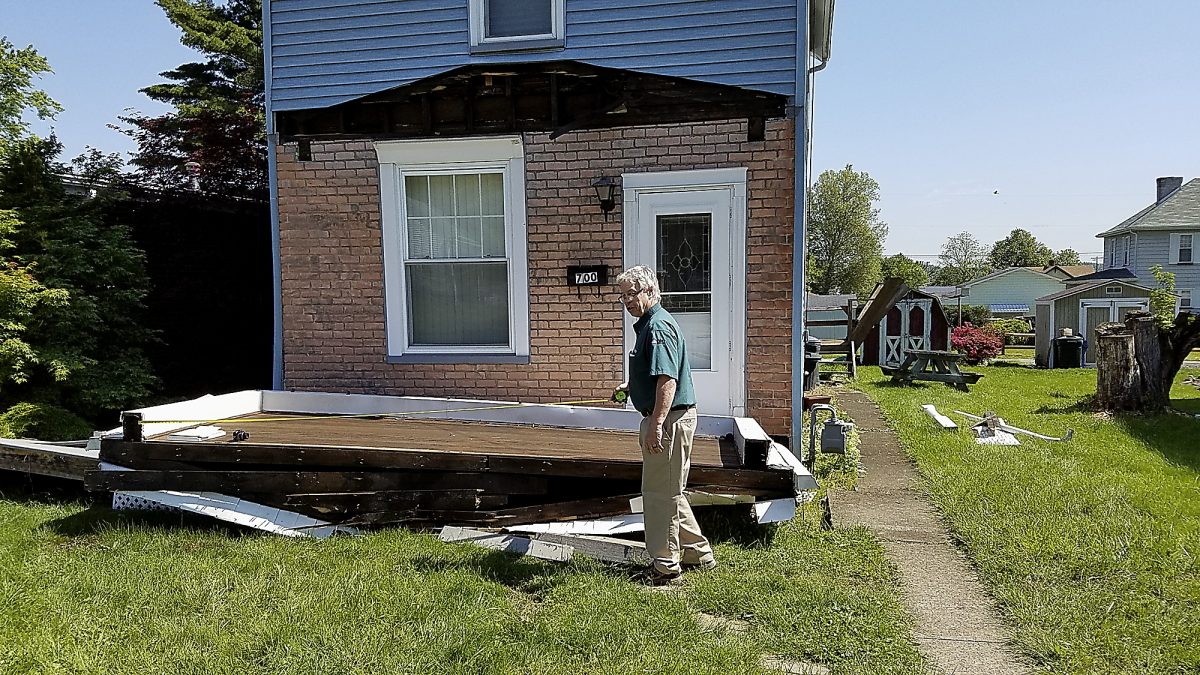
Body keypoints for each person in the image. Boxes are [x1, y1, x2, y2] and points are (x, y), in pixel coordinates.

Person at [613, 265, 715, 584]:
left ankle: (665, 567)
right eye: (623, 296)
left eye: (632, 293)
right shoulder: (649, 325)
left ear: (650, 291)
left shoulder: (658, 327)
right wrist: (632, 387)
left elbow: (667, 379)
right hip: (667, 417)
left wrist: (657, 424)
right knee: (671, 490)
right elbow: (654, 373)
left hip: (668, 420)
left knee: (659, 495)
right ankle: (699, 554)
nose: (627, 301)